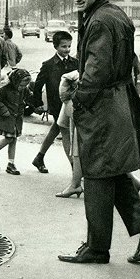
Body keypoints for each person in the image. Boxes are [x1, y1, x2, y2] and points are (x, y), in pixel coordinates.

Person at [58, 0, 140, 265]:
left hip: (102, 107)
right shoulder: (114, 14)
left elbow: (96, 70)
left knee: (95, 176)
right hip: (116, 101)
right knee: (113, 174)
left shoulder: (100, 21)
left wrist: (78, 99)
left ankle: (98, 247)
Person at [30, 31, 79, 175]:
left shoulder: (75, 63)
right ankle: (74, 167)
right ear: (55, 46)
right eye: (64, 46)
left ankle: (39, 157)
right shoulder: (48, 65)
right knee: (65, 132)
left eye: (69, 46)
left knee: (55, 129)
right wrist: (38, 102)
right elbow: (38, 85)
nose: (67, 49)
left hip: (70, 103)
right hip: (56, 104)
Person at [0, 68, 33, 176]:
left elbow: (29, 97)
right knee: (9, 138)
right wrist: (3, 110)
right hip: (8, 117)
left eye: (25, 85)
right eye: (21, 85)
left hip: (16, 118)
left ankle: (11, 163)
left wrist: (34, 104)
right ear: (15, 81)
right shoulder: (4, 89)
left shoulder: (23, 89)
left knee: (13, 139)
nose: (23, 88)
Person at [55, 69, 84, 198]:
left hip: (82, 106)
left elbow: (65, 80)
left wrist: (66, 99)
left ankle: (75, 184)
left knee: (77, 145)